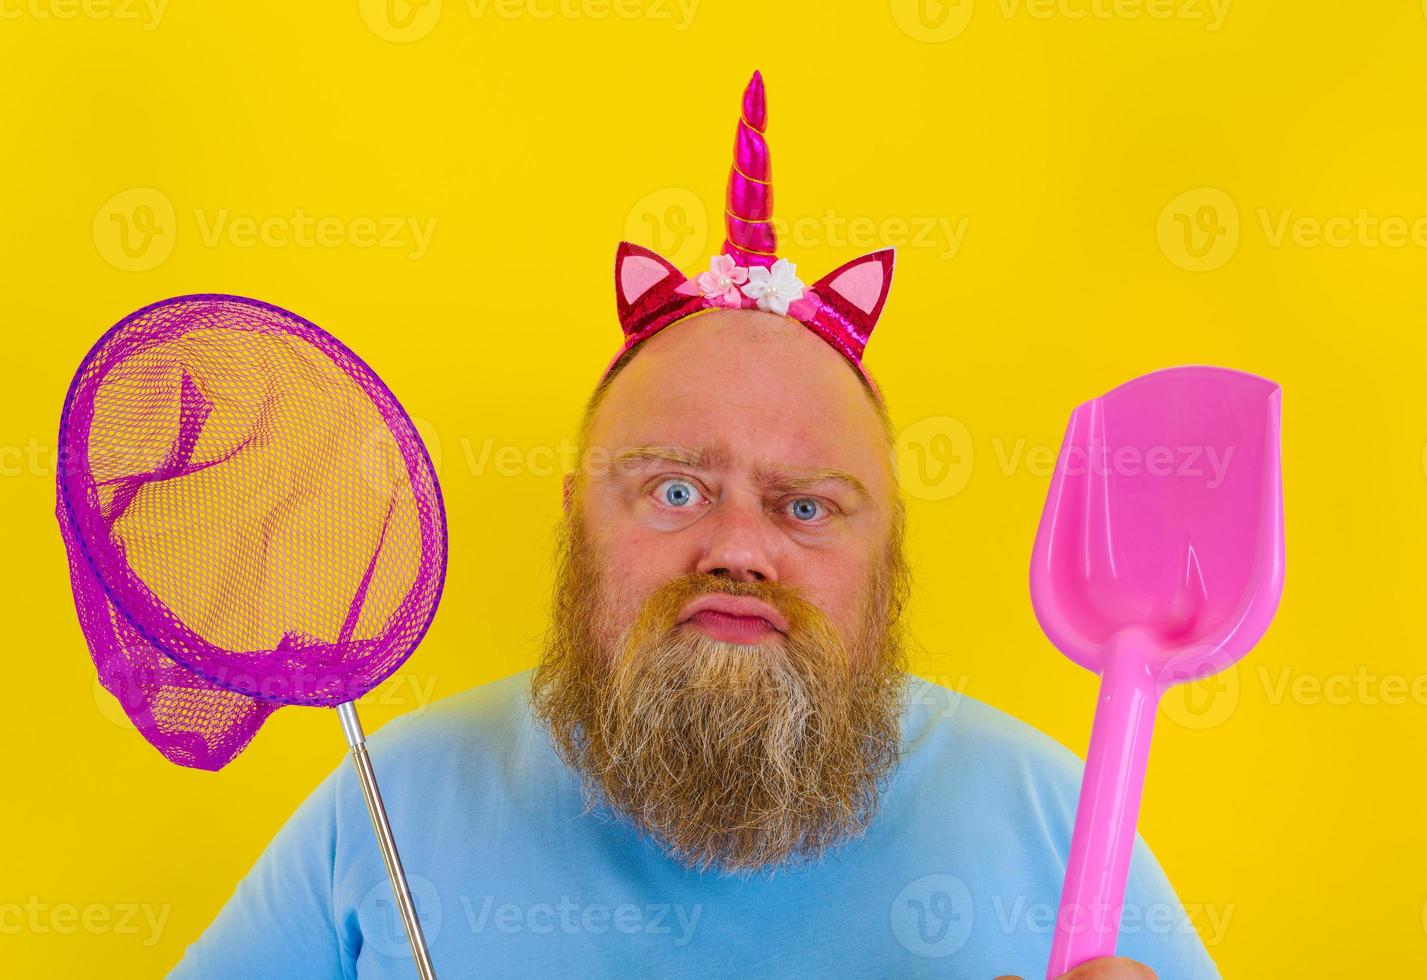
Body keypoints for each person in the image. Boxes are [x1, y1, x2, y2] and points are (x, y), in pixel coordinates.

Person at [170, 72, 1217, 979]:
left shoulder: (1056, 818)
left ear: (887, 558)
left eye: (804, 505)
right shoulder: (385, 803)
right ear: (576, 520)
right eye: (674, 489)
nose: (737, 547)